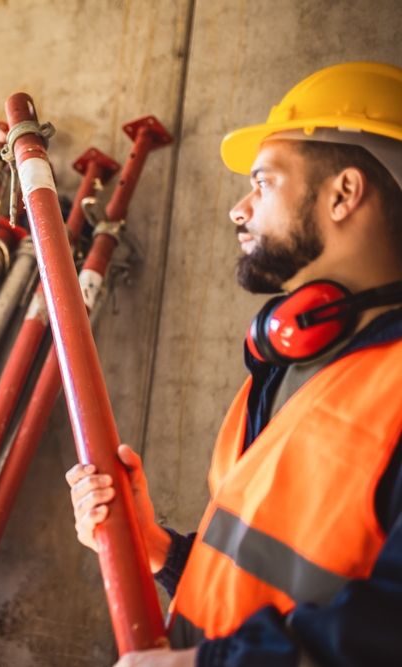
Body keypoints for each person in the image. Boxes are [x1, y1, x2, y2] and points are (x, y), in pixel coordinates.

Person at [67, 61, 402, 666]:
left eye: (264, 183)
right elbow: (273, 581)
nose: (238, 210)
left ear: (344, 193)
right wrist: (158, 549)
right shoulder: (286, 368)